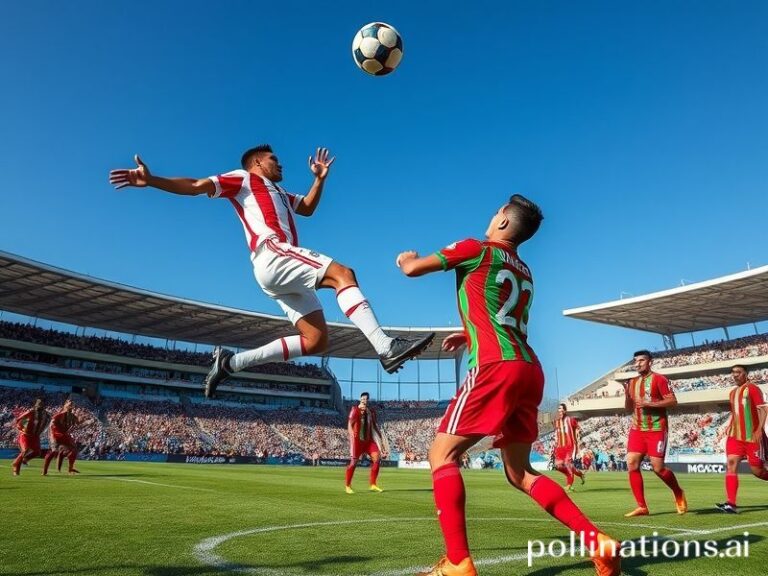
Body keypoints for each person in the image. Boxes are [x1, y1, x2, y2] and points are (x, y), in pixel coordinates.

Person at [397, 195, 620, 576]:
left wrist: (405, 259)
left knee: (442, 455)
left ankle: (457, 562)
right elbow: (504, 315)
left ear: (502, 221)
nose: (491, 216)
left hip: (495, 366)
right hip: (528, 368)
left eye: (496, 211)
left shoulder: (476, 248)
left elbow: (414, 270)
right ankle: (597, 541)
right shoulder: (524, 269)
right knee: (519, 473)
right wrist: (469, 334)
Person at [109, 147, 433, 397]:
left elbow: (305, 207)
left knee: (316, 341)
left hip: (278, 269)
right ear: (257, 163)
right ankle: (385, 346)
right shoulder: (244, 178)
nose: (280, 164)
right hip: (272, 252)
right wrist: (151, 180)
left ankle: (231, 364)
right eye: (273, 159)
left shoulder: (279, 193)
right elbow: (196, 185)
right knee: (343, 274)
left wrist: (319, 180)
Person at [623, 350, 687, 517]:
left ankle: (678, 492)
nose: (638, 364)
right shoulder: (633, 382)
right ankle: (642, 506)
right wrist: (626, 394)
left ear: (650, 362)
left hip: (657, 429)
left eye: (642, 360)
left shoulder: (659, 379)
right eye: (635, 361)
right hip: (637, 429)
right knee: (631, 462)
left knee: (658, 468)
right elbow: (629, 408)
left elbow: (673, 401)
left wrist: (650, 403)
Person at [716, 365, 768, 513]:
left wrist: (759, 429)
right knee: (731, 464)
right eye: (733, 373)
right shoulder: (732, 393)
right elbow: (735, 413)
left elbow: (763, 409)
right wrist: (728, 427)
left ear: (746, 374)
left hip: (752, 436)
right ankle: (731, 503)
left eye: (738, 372)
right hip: (735, 437)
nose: (735, 375)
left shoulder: (752, 388)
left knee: (757, 471)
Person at [346, 392, 387, 493]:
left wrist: (381, 443)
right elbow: (349, 424)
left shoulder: (371, 412)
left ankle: (373, 484)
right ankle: (348, 486)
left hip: (369, 441)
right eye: (363, 398)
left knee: (377, 459)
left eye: (366, 399)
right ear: (360, 399)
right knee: (353, 463)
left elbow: (374, 426)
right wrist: (352, 436)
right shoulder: (355, 410)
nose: (365, 400)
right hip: (357, 442)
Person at [12, 398, 51, 476]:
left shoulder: (46, 415)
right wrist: (21, 428)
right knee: (25, 450)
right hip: (25, 435)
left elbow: (48, 422)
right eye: (39, 404)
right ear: (36, 405)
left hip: (35, 436)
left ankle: (24, 460)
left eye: (41, 404)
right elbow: (19, 420)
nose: (40, 405)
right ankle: (16, 467)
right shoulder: (30, 412)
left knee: (37, 452)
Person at [43, 399, 81, 476]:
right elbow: (51, 426)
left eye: (72, 405)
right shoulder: (58, 416)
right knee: (53, 452)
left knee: (74, 451)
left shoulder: (73, 416)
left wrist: (87, 422)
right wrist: (52, 437)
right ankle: (44, 471)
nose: (71, 406)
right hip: (55, 435)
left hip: (64, 435)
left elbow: (79, 424)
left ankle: (70, 468)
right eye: (69, 404)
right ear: (65, 406)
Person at [553, 403, 585, 491]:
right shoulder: (556, 422)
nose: (559, 410)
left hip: (570, 446)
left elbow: (579, 428)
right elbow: (557, 433)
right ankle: (580, 474)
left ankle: (569, 485)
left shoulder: (570, 420)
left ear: (565, 411)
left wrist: (578, 436)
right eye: (558, 409)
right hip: (560, 447)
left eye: (561, 409)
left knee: (568, 464)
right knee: (558, 466)